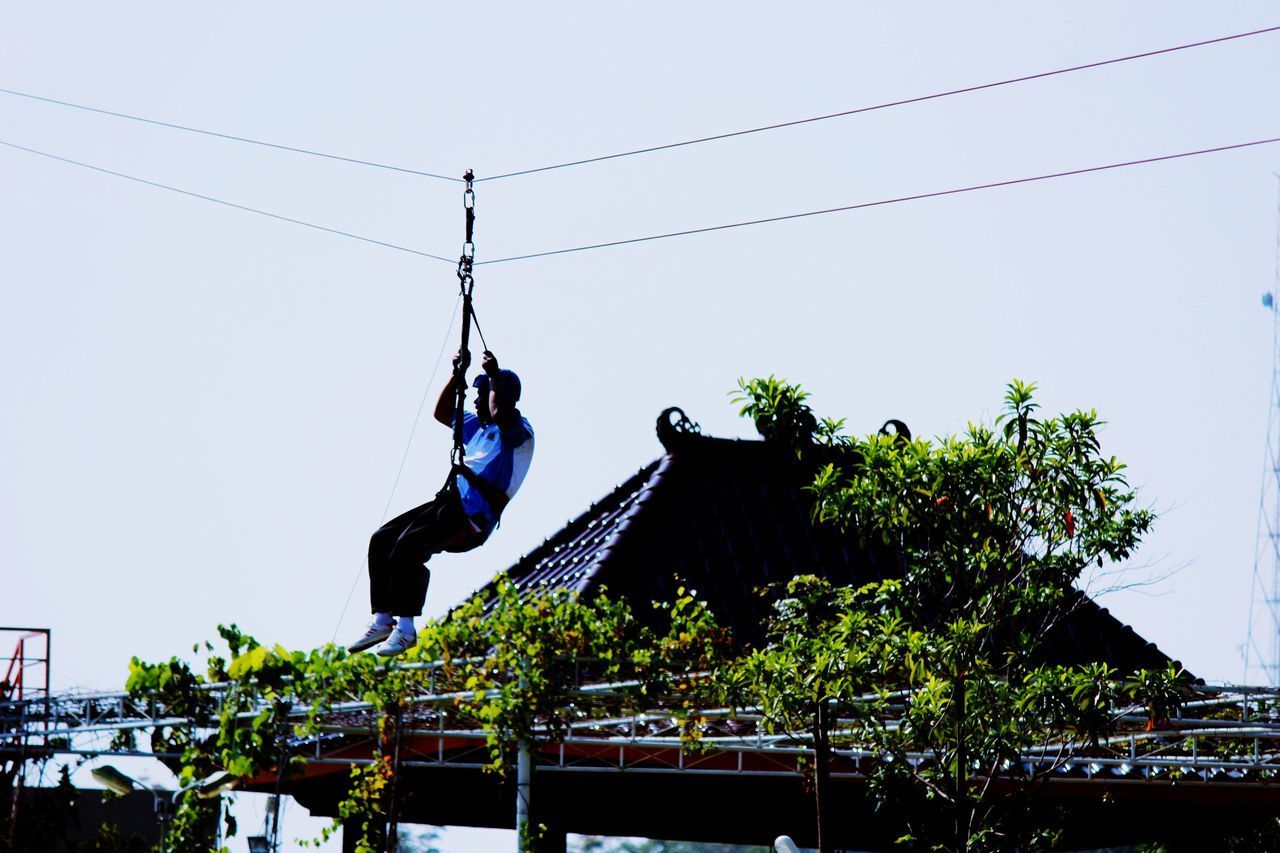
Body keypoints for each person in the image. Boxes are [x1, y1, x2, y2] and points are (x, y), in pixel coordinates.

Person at [348, 349, 534, 657]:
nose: (476, 400)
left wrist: (493, 375)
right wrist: (457, 374)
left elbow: (501, 413)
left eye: (482, 393)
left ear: (499, 395)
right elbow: (442, 412)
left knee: (409, 546)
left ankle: (406, 629)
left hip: (473, 515)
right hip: (450, 502)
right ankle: (382, 618)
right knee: (382, 540)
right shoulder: (478, 427)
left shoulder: (518, 433)